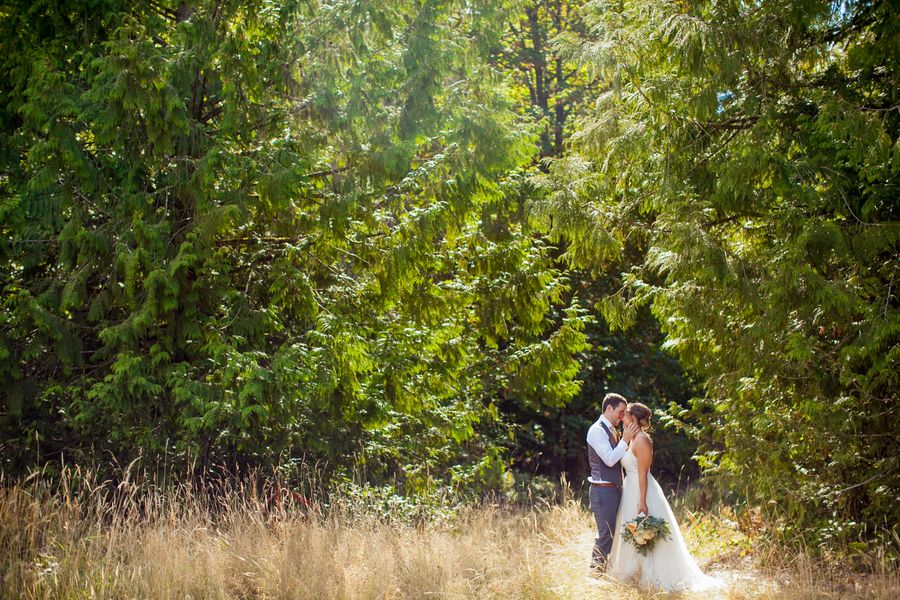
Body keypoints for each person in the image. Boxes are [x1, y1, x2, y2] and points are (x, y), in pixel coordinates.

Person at [606, 402, 723, 592]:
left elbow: (643, 473)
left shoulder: (643, 440)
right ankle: (634, 574)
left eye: (625, 415)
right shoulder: (631, 438)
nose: (622, 418)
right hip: (630, 489)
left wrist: (642, 500)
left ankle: (652, 576)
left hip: (641, 490)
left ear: (634, 418)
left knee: (645, 531)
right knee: (632, 532)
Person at [586, 392, 639, 573]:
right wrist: (624, 440)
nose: (623, 417)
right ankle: (595, 576)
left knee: (614, 535)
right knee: (605, 535)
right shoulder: (596, 431)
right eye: (621, 412)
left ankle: (607, 572)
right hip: (603, 492)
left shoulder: (612, 430)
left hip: (615, 490)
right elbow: (609, 459)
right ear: (609, 408)